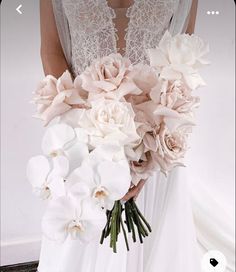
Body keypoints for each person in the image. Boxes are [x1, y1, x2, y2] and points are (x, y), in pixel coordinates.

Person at [38, 1, 201, 271]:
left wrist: (149, 152)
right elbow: (51, 50)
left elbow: (183, 59)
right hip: (81, 140)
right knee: (77, 243)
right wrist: (91, 133)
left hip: (152, 145)